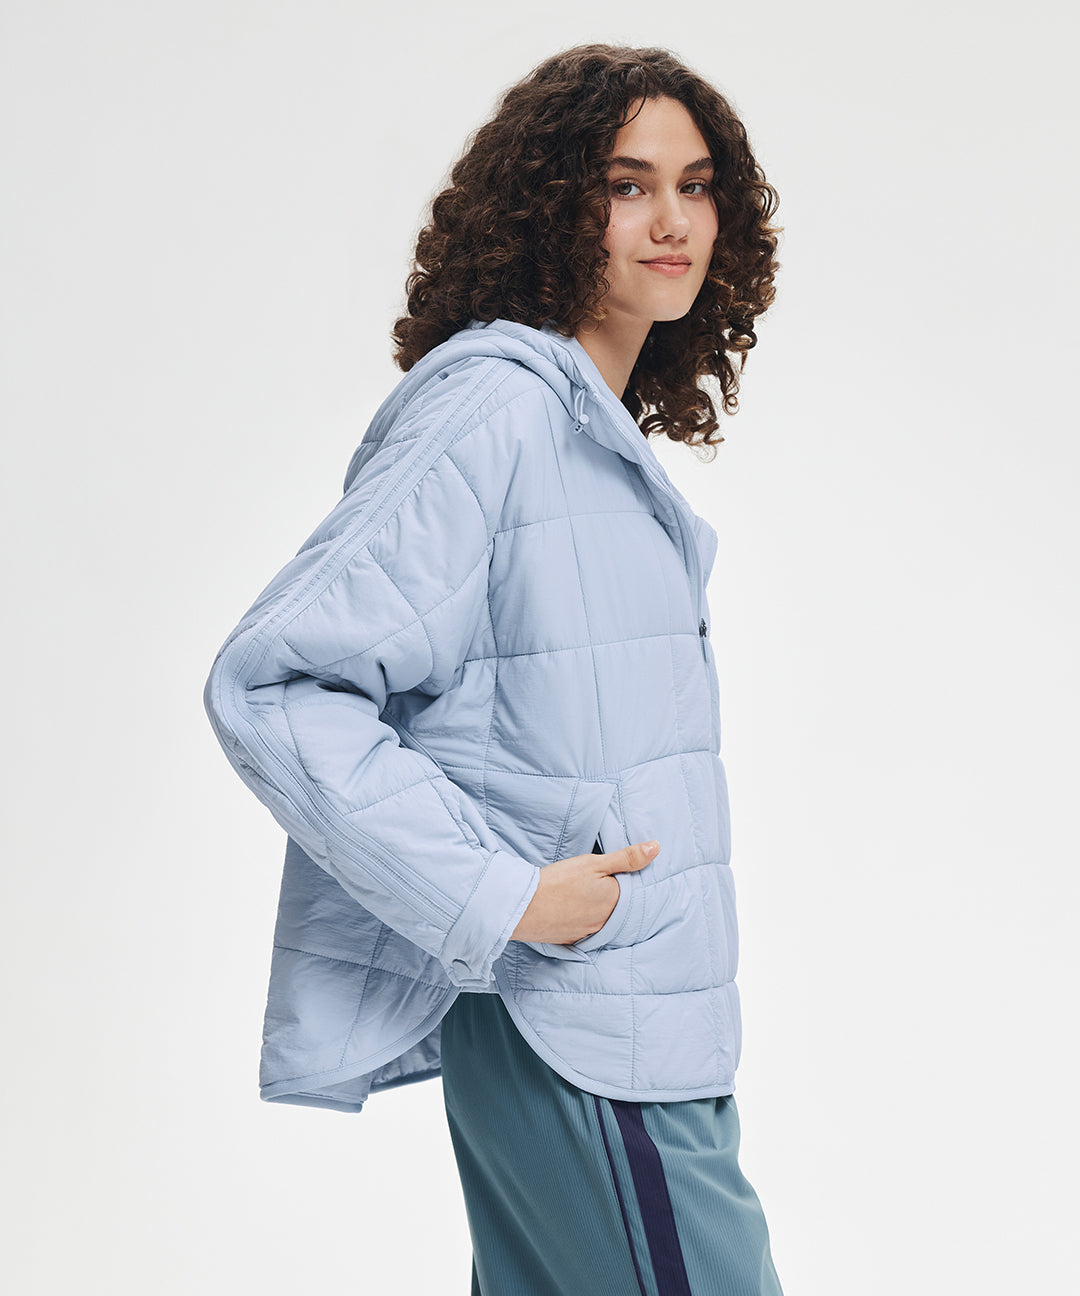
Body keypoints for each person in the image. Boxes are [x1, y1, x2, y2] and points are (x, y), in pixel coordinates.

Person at [204, 41, 784, 1296]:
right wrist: (499, 893)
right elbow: (278, 686)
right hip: (584, 1027)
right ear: (552, 205)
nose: (672, 221)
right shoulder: (494, 412)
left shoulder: (585, 429)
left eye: (695, 186)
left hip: (640, 1024)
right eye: (627, 185)